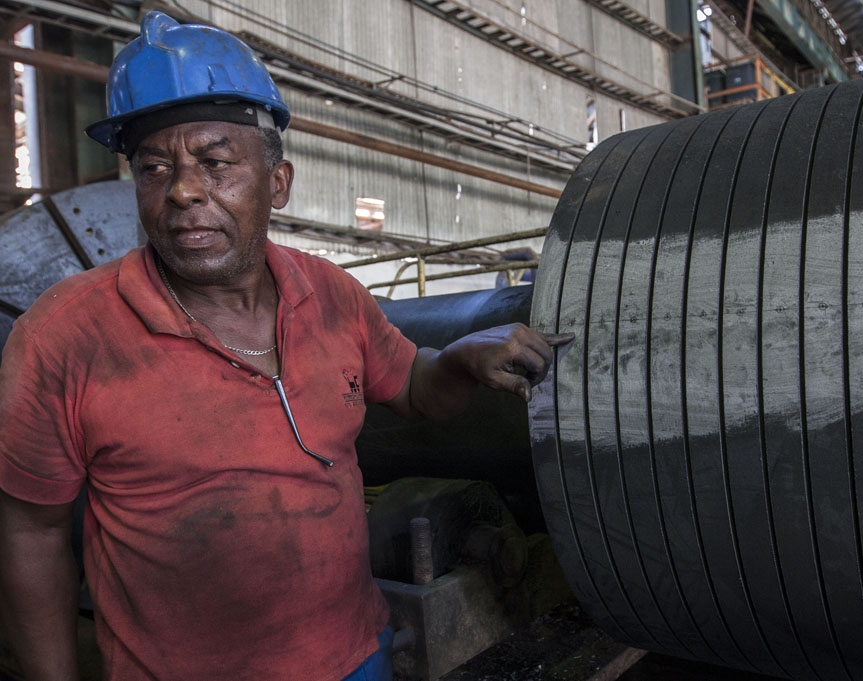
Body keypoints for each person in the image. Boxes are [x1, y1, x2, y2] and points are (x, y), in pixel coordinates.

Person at [0, 12, 569, 681]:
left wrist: (461, 358)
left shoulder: (330, 294)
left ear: (278, 184)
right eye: (155, 167)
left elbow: (413, 387)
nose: (182, 189)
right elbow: (32, 533)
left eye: (215, 162)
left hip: (355, 658)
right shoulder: (65, 335)